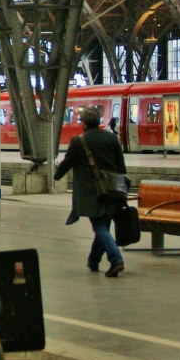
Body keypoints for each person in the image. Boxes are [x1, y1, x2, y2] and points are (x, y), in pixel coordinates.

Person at [53, 107, 128, 277]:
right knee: (104, 226)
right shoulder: (111, 139)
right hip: (112, 189)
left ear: (84, 124)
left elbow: (67, 162)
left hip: (91, 192)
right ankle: (93, 260)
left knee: (100, 227)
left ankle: (116, 259)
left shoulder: (79, 141)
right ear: (99, 121)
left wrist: (56, 176)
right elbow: (121, 166)